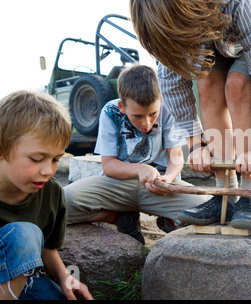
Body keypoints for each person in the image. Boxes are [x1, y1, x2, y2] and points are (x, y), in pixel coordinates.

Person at [129, 0, 251, 229]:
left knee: (238, 83)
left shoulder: (241, 3)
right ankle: (226, 194)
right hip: (211, 31)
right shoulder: (165, 26)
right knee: (206, 82)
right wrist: (196, 145)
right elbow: (173, 84)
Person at [64, 64, 210, 244]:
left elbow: (176, 156)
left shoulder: (168, 108)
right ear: (122, 106)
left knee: (207, 208)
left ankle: (169, 221)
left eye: (153, 114)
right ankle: (120, 218)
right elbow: (109, 166)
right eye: (138, 116)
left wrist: (170, 179)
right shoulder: (110, 111)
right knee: (64, 203)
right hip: (117, 186)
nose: (146, 123)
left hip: (160, 188)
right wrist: (141, 169)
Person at [0, 90, 92, 300]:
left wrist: (66, 279)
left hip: (21, 279)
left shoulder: (51, 192)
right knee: (25, 234)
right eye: (36, 159)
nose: (48, 171)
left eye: (55, 159)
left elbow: (47, 249)